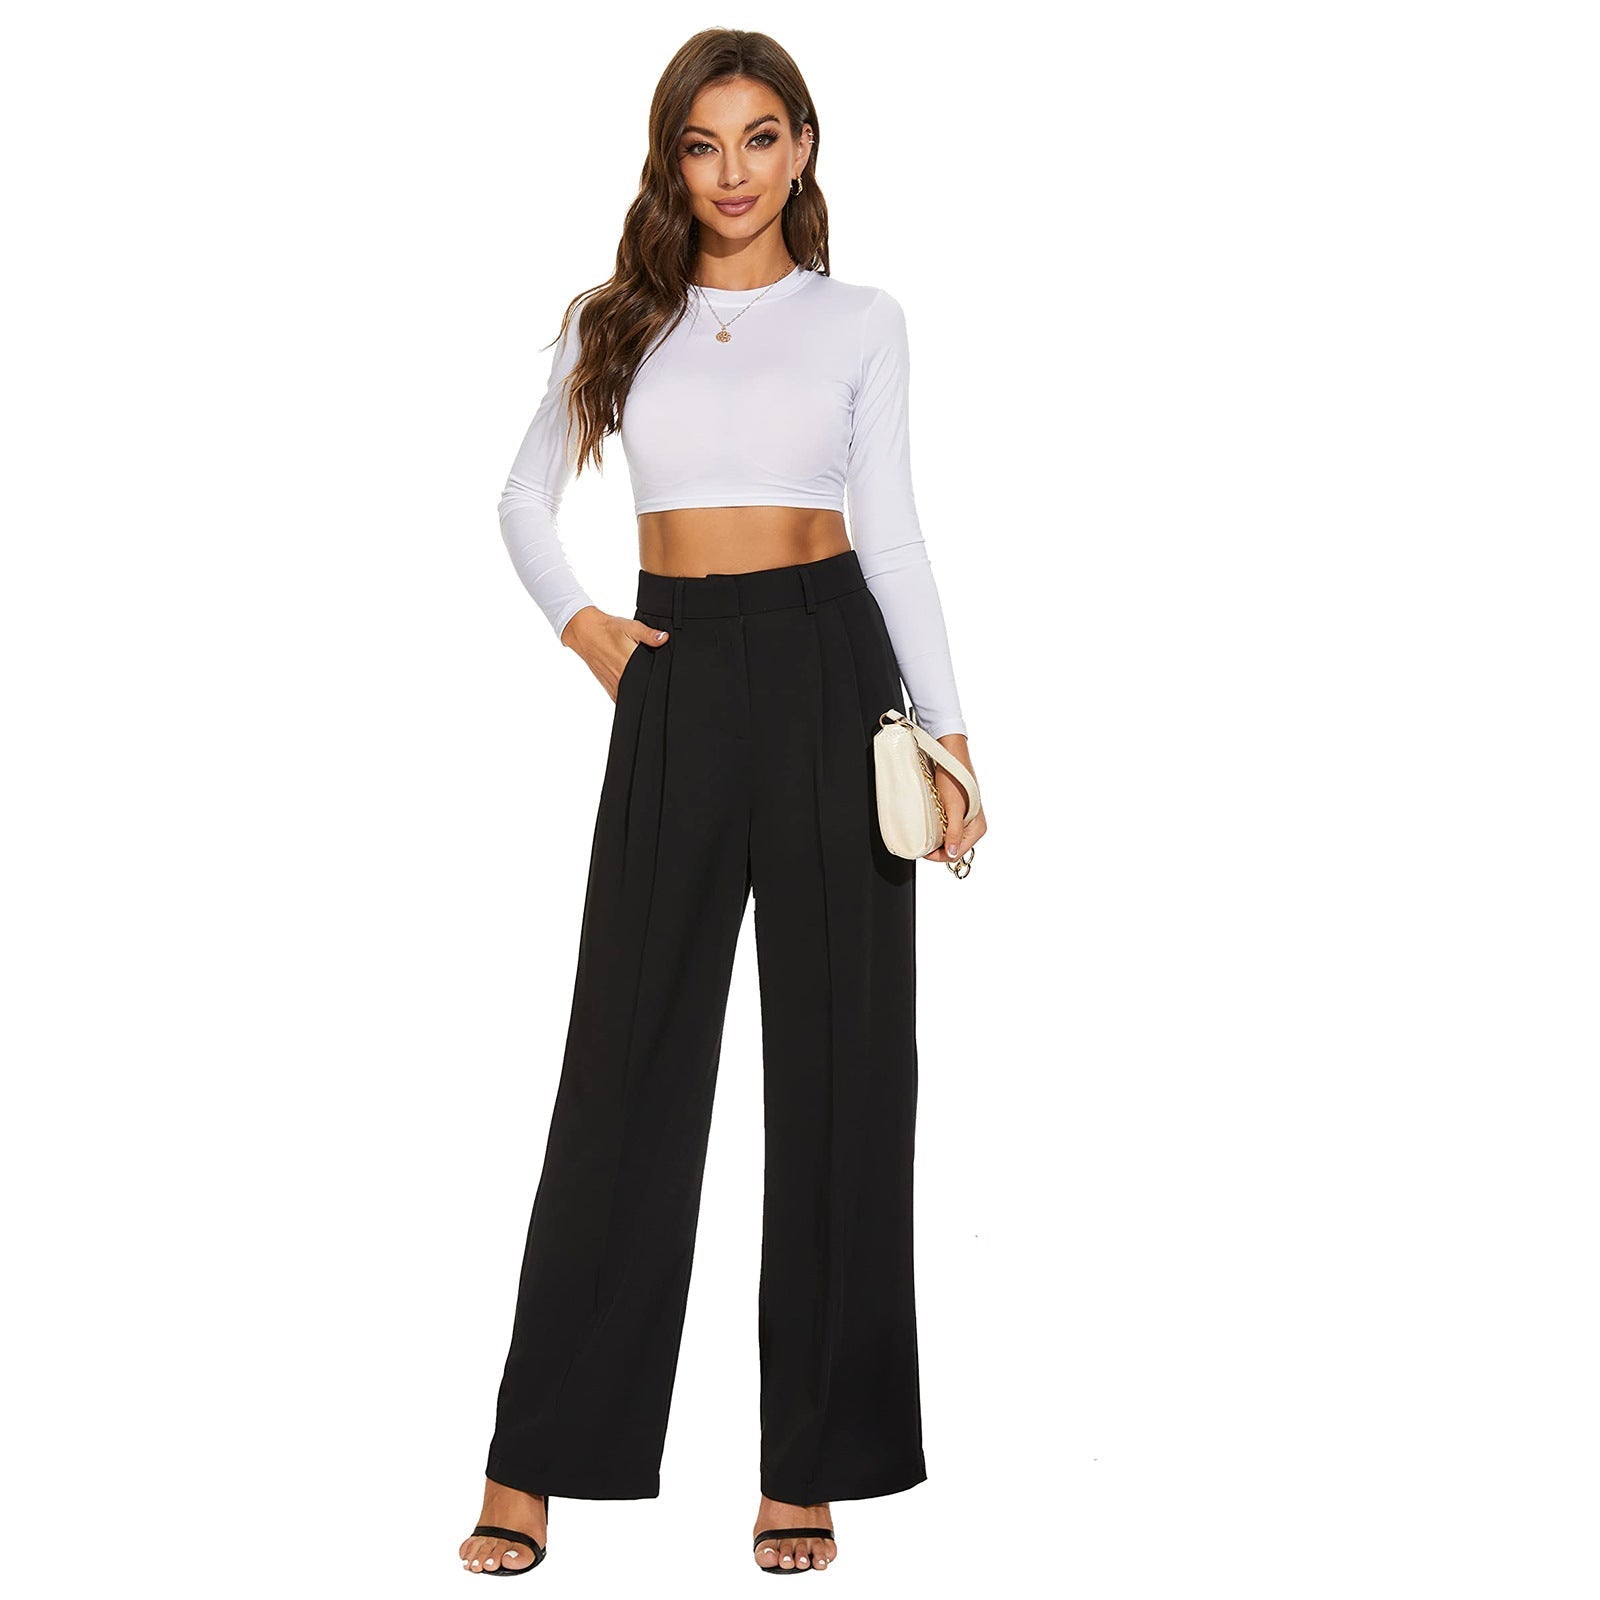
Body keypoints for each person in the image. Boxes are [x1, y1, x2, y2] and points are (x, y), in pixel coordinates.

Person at [460, 27, 987, 1577]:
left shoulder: (862, 321)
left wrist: (950, 734)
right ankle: (535, 1458)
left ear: (802, 146)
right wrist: (585, 627)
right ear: (672, 160)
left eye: (762, 137)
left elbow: (893, 532)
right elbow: (519, 496)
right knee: (623, 1068)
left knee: (842, 1073)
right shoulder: (621, 321)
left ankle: (806, 1464)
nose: (735, 171)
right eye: (704, 144)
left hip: (833, 668)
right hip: (675, 675)